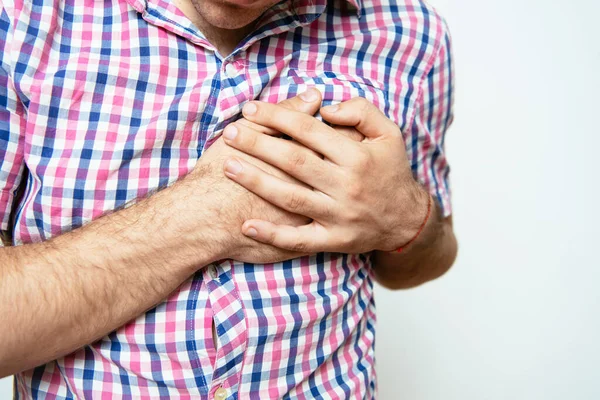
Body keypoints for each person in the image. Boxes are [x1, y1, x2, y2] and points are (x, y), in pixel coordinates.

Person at [0, 0, 457, 396]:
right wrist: (207, 213)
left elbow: (430, 255)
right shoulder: (22, 17)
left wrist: (406, 217)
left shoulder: (413, 34)